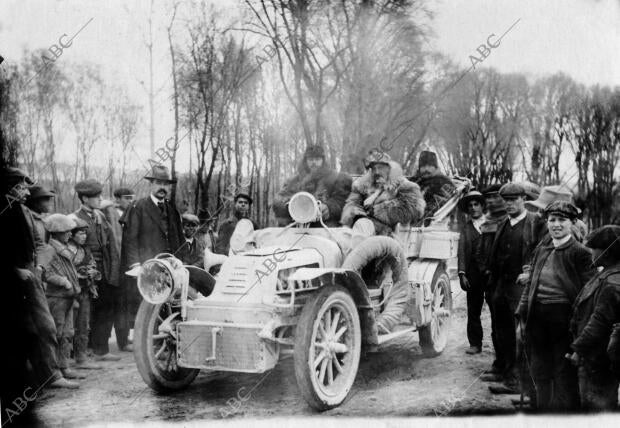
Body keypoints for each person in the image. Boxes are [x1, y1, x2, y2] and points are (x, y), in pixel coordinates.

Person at [0, 167, 78, 392]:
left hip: (30, 275)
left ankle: (51, 376)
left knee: (46, 325)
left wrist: (39, 267)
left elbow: (41, 244)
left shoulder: (23, 212)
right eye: (21, 187)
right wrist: (13, 270)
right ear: (9, 188)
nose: (26, 191)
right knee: (21, 331)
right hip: (11, 278)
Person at [515, 201, 595, 411]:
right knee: (539, 371)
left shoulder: (580, 253)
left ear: (573, 223)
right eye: (552, 220)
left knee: (563, 373)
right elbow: (530, 285)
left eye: (562, 220)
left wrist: (580, 327)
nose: (556, 225)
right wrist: (521, 318)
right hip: (537, 319)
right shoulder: (542, 248)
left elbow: (588, 292)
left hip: (564, 320)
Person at [486, 182, 546, 394]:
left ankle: (518, 381)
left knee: (520, 334)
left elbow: (544, 253)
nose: (509, 204)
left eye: (513, 200)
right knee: (500, 330)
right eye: (506, 200)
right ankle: (503, 368)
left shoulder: (535, 223)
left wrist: (530, 273)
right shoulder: (503, 222)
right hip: (501, 286)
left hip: (521, 287)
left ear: (524, 199)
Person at [569, 225, 620, 410]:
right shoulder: (606, 274)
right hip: (596, 355)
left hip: (597, 358)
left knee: (597, 406)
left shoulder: (611, 282)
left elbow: (598, 322)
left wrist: (578, 349)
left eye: (594, 249)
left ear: (606, 252)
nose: (591, 252)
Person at [72, 179, 121, 361]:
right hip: (84, 270)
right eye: (95, 196)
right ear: (84, 198)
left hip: (104, 269)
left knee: (106, 307)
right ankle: (83, 351)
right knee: (85, 311)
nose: (100, 198)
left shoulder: (100, 216)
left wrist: (113, 272)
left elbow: (111, 246)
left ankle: (101, 349)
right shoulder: (74, 219)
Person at [40, 214, 86, 382]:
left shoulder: (63, 248)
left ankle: (64, 366)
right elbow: (45, 273)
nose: (69, 234)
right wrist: (64, 282)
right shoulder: (49, 249)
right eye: (66, 231)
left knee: (67, 333)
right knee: (56, 334)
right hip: (56, 297)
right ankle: (54, 372)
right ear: (56, 233)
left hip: (67, 297)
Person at [341, 150, 425, 236]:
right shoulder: (362, 186)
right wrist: (357, 214)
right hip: (363, 229)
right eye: (374, 168)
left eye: (380, 167)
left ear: (389, 168)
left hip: (392, 235)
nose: (377, 172)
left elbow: (414, 209)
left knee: (363, 226)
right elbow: (351, 206)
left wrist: (375, 211)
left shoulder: (405, 186)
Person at [272, 145, 352, 227]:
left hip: (325, 226)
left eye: (317, 159)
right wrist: (290, 205)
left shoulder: (336, 178)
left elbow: (342, 201)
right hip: (297, 225)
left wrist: (328, 208)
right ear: (305, 161)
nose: (314, 162)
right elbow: (279, 200)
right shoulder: (294, 181)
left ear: (323, 160)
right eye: (310, 159)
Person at [478, 184, 508, 376]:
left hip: (505, 279)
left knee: (507, 327)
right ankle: (499, 364)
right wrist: (485, 269)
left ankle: (508, 368)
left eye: (493, 197)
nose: (489, 201)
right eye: (487, 198)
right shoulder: (487, 221)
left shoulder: (508, 221)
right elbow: (480, 250)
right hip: (491, 280)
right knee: (496, 325)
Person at [66, 217, 103, 370]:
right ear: (71, 235)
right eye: (80, 233)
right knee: (68, 328)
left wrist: (93, 272)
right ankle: (65, 360)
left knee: (83, 325)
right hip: (69, 293)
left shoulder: (86, 249)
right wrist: (79, 274)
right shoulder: (66, 250)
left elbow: (92, 264)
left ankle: (81, 358)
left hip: (86, 291)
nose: (84, 236)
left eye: (84, 233)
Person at [457, 190, 487, 355]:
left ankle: (501, 345)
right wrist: (462, 274)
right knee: (473, 310)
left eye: (476, 204)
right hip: (473, 273)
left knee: (497, 310)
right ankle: (475, 343)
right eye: (470, 206)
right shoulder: (466, 228)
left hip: (490, 273)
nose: (474, 208)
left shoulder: (492, 224)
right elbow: (461, 251)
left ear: (482, 206)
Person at [409, 150, 456, 219]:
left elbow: (438, 205)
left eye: (430, 165)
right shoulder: (412, 182)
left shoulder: (444, 182)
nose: (426, 169)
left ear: (436, 167)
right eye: (423, 166)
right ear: (419, 168)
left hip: (432, 223)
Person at [24, 185, 55, 258]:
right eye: (46, 200)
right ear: (35, 202)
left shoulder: (43, 220)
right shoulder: (27, 220)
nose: (50, 203)